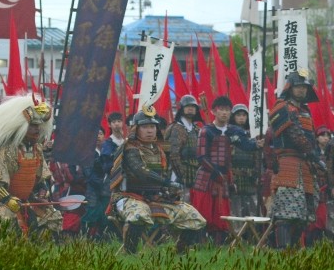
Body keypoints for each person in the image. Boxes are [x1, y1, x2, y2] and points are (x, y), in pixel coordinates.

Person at [107, 105, 205, 253]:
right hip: (127, 198)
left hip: (154, 199)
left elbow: (163, 178)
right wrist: (167, 182)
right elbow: (141, 172)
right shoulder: (129, 148)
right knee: (139, 215)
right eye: (145, 126)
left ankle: (180, 252)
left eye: (152, 126)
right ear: (136, 129)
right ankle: (130, 253)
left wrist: (168, 190)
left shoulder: (160, 150)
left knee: (194, 217)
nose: (150, 130)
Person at [0, 96, 62, 236]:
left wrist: (43, 191)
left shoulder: (37, 149)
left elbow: (40, 178)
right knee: (0, 220)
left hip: (26, 201)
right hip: (1, 202)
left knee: (52, 216)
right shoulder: (7, 149)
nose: (37, 129)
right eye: (33, 126)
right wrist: (8, 199)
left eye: (38, 126)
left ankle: (40, 253)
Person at [191, 95, 259, 244]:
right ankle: (199, 246)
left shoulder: (233, 131)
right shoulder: (206, 131)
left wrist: (258, 144)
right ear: (214, 111)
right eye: (221, 109)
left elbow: (246, 145)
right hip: (206, 179)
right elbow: (202, 157)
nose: (224, 113)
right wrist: (216, 173)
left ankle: (219, 247)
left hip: (223, 179)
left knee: (222, 215)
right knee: (204, 215)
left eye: (227, 110)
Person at [268, 72, 324, 249]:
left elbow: (311, 139)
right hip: (288, 163)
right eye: (299, 86)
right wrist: (313, 155)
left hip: (305, 165)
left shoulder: (305, 112)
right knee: (286, 213)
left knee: (303, 215)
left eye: (304, 87)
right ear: (290, 87)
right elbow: (294, 134)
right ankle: (283, 252)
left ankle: (294, 253)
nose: (302, 90)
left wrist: (314, 157)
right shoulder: (282, 107)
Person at [229, 103, 263, 219]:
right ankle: (236, 233)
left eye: (244, 115)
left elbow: (258, 157)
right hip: (235, 175)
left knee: (252, 206)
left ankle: (253, 234)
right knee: (235, 205)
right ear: (233, 117)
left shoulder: (253, 135)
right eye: (238, 115)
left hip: (250, 176)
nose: (242, 117)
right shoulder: (228, 133)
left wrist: (258, 174)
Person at [165, 94, 202, 191]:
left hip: (195, 174)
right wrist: (181, 175)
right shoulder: (177, 128)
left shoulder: (196, 129)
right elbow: (173, 155)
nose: (191, 108)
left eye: (193, 106)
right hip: (178, 176)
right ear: (182, 109)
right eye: (187, 106)